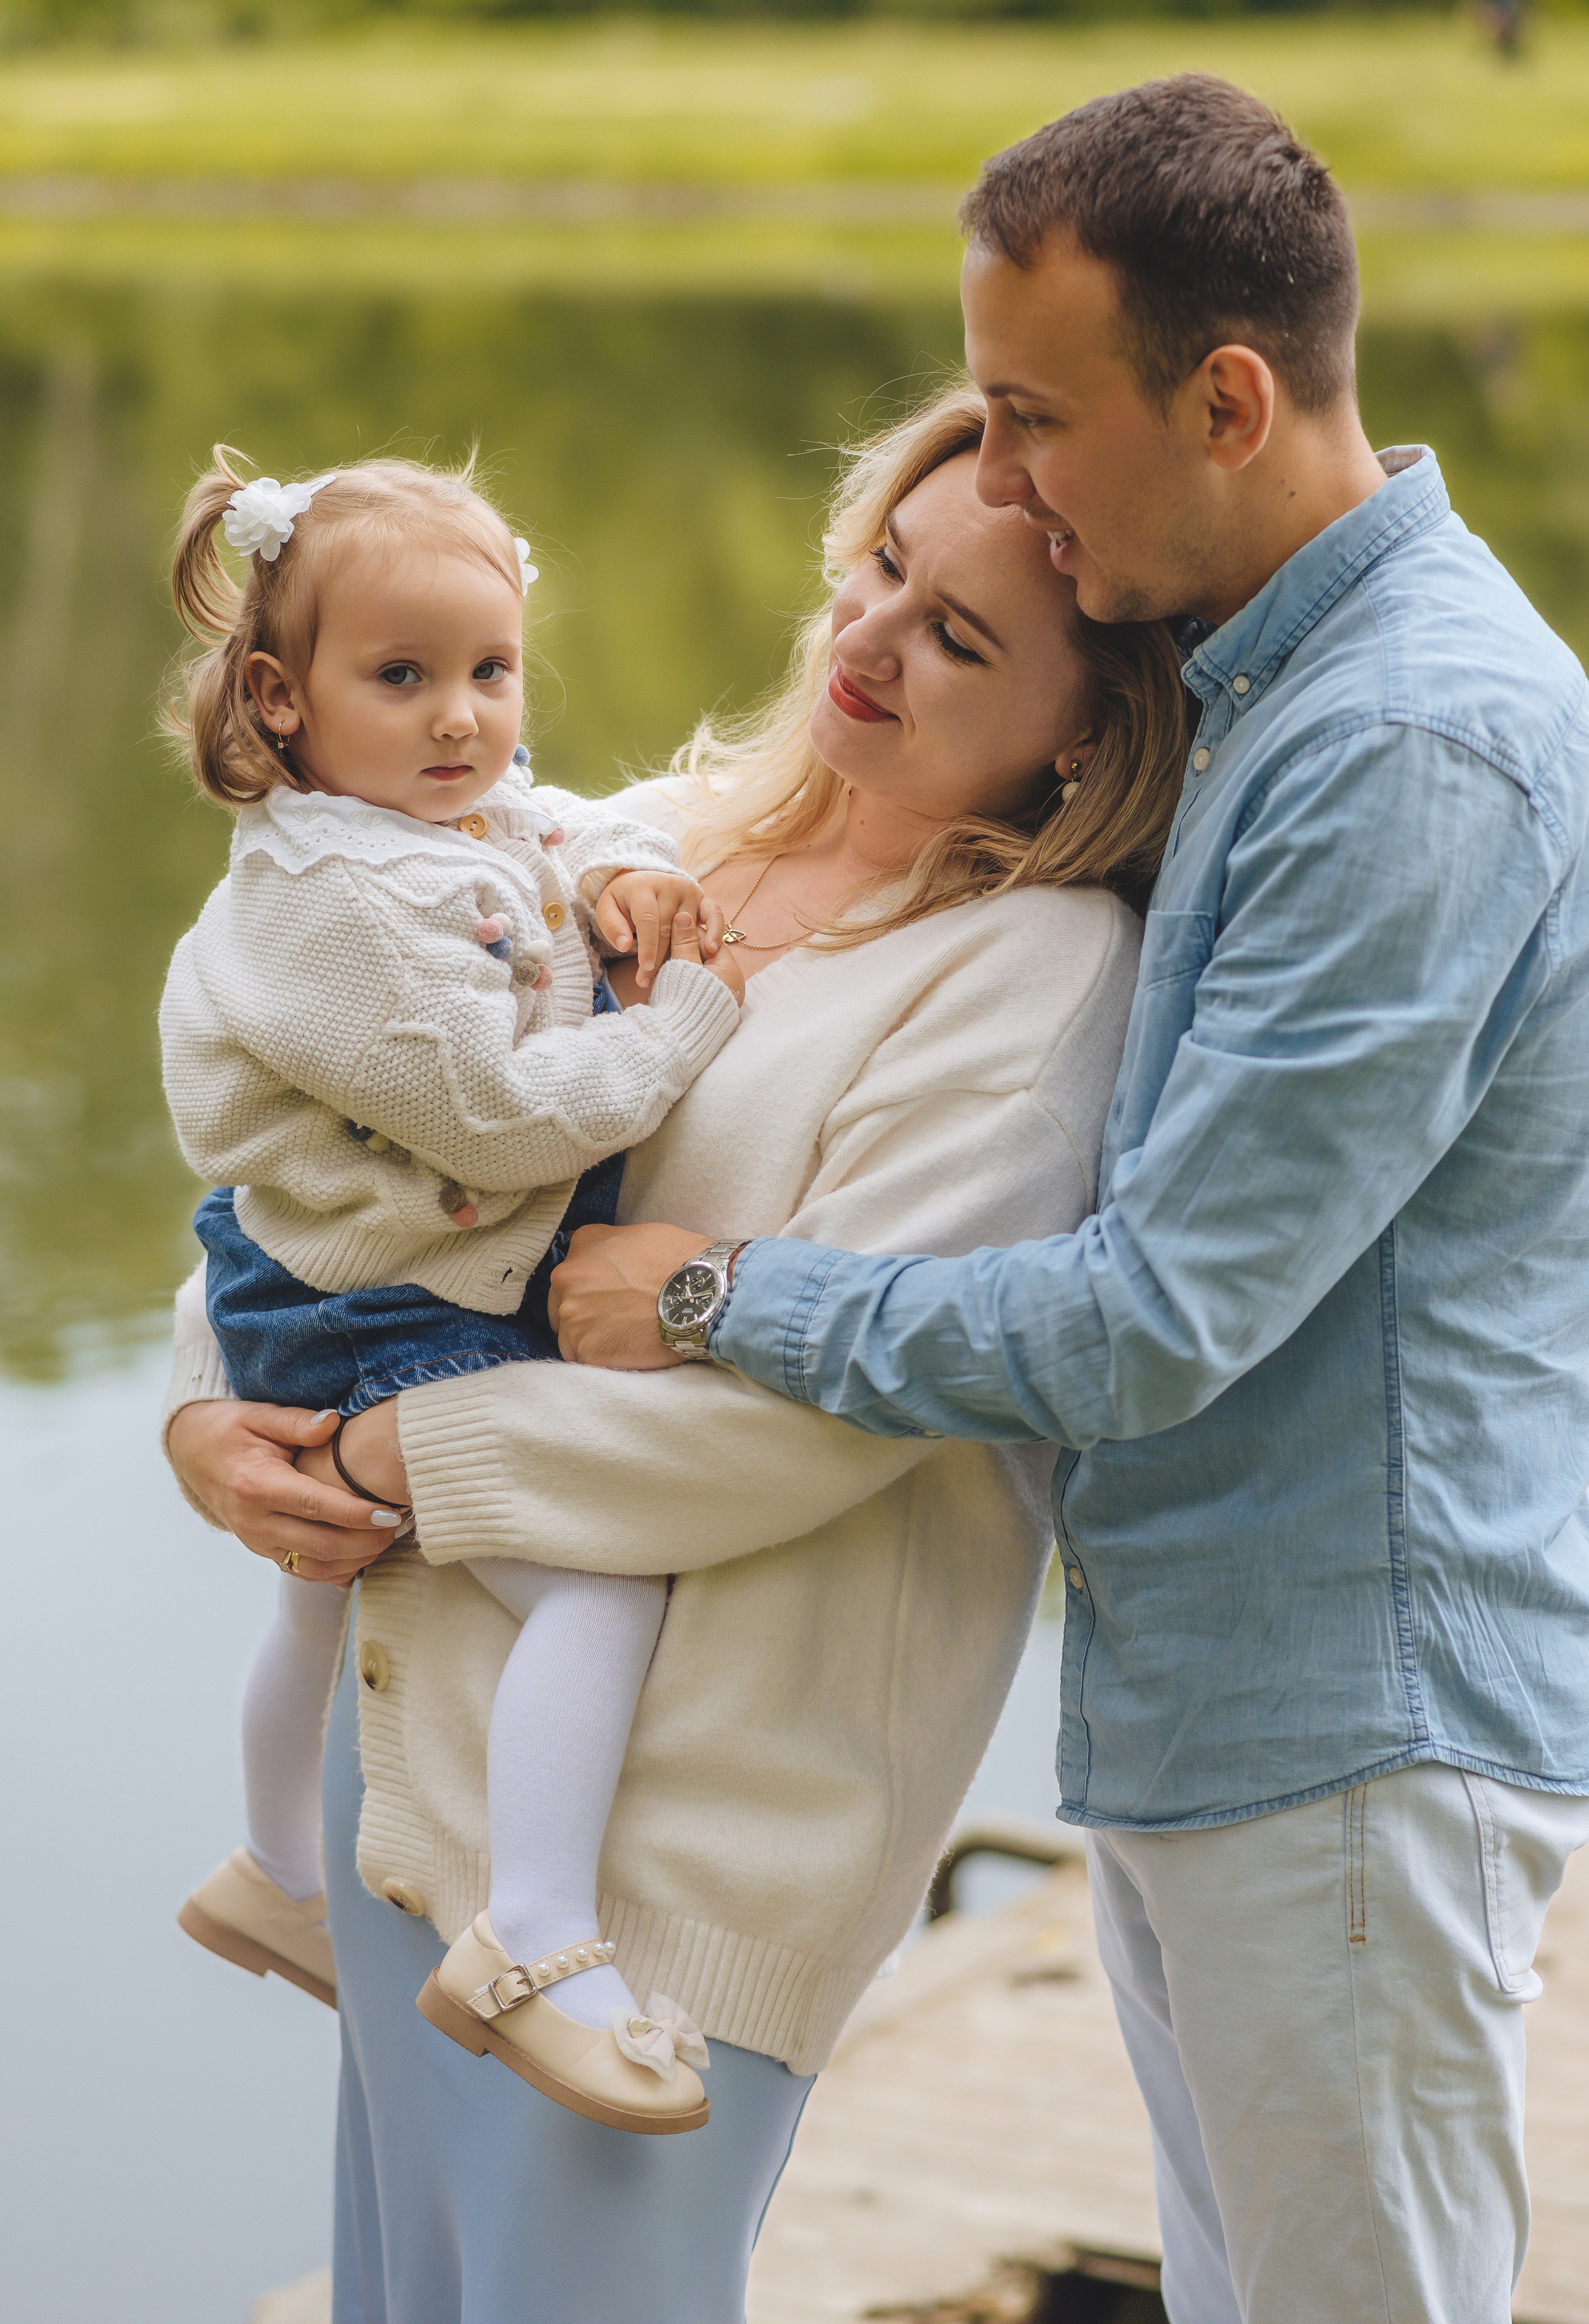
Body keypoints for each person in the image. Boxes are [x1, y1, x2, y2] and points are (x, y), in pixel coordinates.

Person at [537, 77, 1589, 2324]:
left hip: (1351, 1742)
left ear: (1226, 398)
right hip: (1231, 1715)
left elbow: (1151, 1317)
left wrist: (720, 1294)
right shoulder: (1278, 698)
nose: (991, 482)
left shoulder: (1407, 746)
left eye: (1028, 418)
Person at [163, 387, 1191, 2322]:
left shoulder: (1035, 980)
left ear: (1093, 726)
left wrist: (397, 1465)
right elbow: (337, 1158)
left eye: (961, 634)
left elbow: (813, 1428)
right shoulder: (623, 836)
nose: (870, 639)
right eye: (882, 568)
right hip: (409, 1785)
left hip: (680, 1879)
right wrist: (216, 1417)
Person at [160, 449, 744, 2132]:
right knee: (599, 1592)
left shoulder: (429, 815)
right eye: (401, 678)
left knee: (317, 1597)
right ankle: (535, 1939)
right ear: (279, 698)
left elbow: (555, 815)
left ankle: (275, 1869)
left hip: (363, 1270)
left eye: (488, 671)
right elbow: (494, 1109)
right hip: (368, 1312)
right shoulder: (332, 900)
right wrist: (683, 1024)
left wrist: (628, 863)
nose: (461, 722)